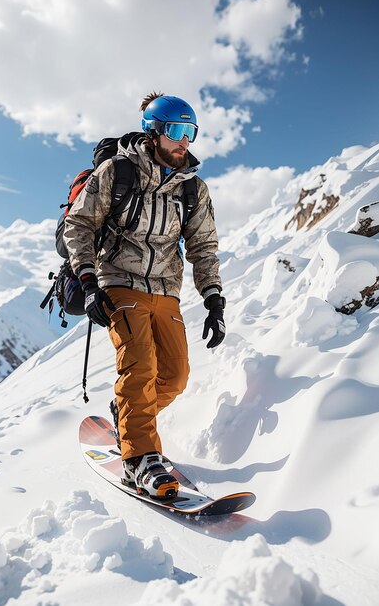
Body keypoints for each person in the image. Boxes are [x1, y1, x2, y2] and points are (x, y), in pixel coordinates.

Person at [63, 93, 226, 499]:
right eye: (176, 131)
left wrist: (213, 299)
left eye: (191, 132)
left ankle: (127, 416)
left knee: (175, 375)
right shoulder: (117, 173)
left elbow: (203, 246)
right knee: (138, 367)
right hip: (118, 281)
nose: (184, 141)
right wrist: (87, 282)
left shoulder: (193, 189)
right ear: (154, 133)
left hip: (166, 290)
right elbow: (79, 225)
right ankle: (140, 461)